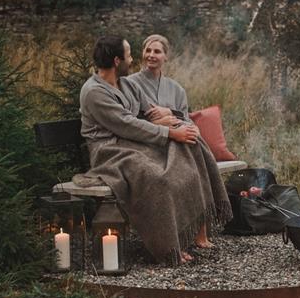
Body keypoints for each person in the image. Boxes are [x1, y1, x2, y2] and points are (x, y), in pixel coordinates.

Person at [79, 36, 232, 265]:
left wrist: (175, 123)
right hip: (110, 151)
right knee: (159, 179)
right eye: (129, 55)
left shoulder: (127, 84)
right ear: (117, 60)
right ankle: (168, 246)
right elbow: (126, 124)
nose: (133, 59)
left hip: (134, 143)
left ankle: (196, 229)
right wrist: (170, 133)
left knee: (190, 148)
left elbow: (149, 111)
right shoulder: (94, 92)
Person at [127, 33, 220, 248]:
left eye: (157, 51)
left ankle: (200, 231)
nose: (151, 55)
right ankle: (184, 234)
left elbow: (185, 120)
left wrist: (169, 112)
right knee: (184, 170)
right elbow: (134, 118)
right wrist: (164, 122)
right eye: (148, 50)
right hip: (150, 146)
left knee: (194, 161)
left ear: (166, 57)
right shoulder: (131, 84)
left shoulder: (176, 89)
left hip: (179, 141)